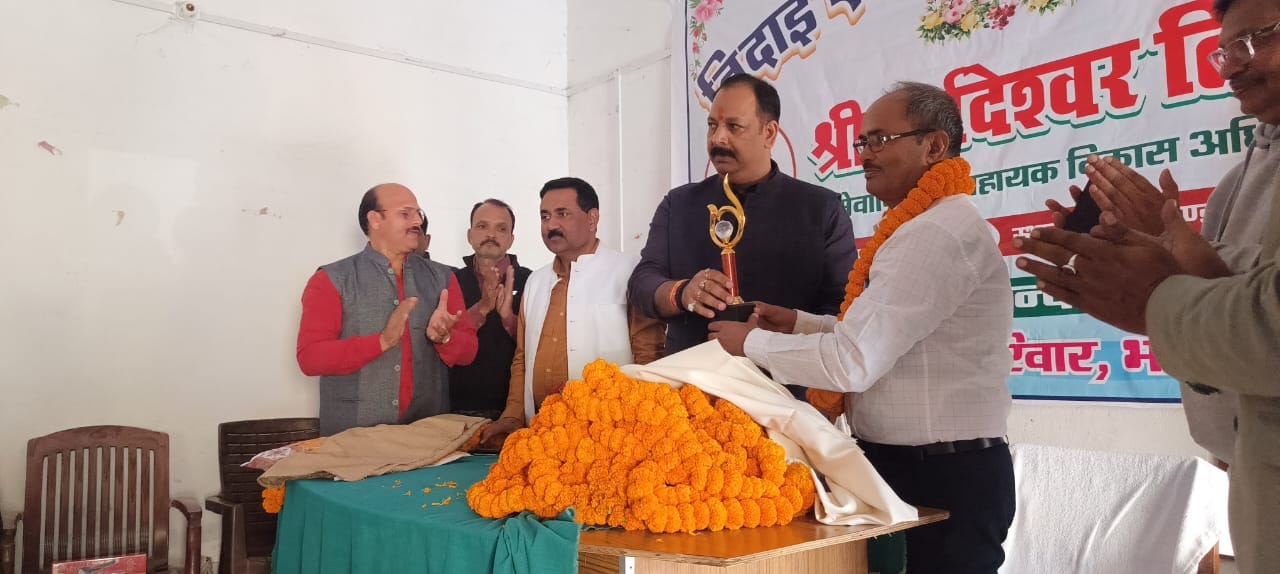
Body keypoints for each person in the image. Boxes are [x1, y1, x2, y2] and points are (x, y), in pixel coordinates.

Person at [1015, 1, 1280, 570]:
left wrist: (1161, 284)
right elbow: (1224, 314)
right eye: (1224, 52)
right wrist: (1147, 252)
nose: (1234, 66)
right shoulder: (1237, 180)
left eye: (1256, 40)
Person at [710, 82, 1015, 574]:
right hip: (913, 469)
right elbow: (879, 334)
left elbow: (853, 362)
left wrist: (750, 343)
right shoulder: (922, 225)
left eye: (879, 140)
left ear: (934, 146)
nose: (865, 155)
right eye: (861, 142)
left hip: (943, 479)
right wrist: (797, 324)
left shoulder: (934, 232)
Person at [627, 74, 855, 365]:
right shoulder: (679, 204)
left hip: (784, 384)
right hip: (693, 380)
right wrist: (682, 293)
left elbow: (843, 308)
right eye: (712, 125)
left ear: (769, 133)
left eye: (733, 126)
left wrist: (779, 333)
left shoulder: (821, 209)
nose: (717, 138)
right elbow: (642, 282)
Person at [481, 177, 665, 443]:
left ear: (592, 219)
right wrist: (512, 415)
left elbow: (648, 356)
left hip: (608, 434)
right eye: (545, 216)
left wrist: (639, 427)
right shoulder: (536, 281)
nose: (551, 225)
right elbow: (522, 357)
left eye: (562, 214)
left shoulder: (630, 272)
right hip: (541, 432)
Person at [296, 183, 478, 436]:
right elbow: (310, 358)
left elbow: (469, 352)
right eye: (405, 213)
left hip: (426, 435)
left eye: (418, 213)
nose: (417, 221)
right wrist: (381, 342)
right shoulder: (332, 279)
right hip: (352, 438)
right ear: (375, 220)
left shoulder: (442, 278)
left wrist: (444, 338)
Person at [449, 199, 532, 421]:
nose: (491, 234)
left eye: (501, 229)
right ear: (470, 235)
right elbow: (442, 341)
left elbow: (541, 346)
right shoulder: (450, 281)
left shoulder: (532, 282)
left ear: (511, 239)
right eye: (482, 226)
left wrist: (508, 317)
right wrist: (481, 309)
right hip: (457, 408)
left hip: (516, 410)